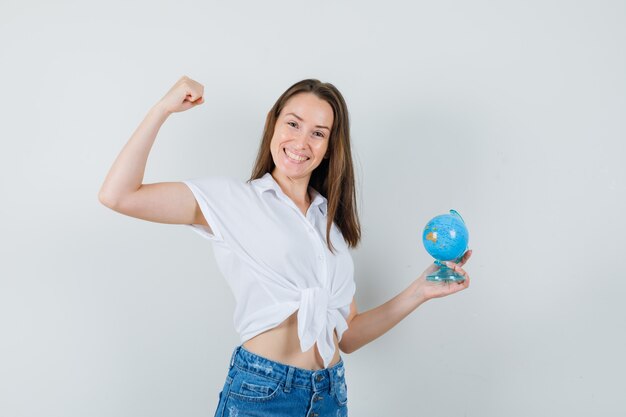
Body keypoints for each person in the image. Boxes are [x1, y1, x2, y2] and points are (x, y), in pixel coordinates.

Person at [98, 75, 472, 417]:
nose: (301, 142)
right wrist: (161, 109)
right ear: (272, 124)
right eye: (293, 124)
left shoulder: (331, 226)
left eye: (318, 133)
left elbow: (348, 335)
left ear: (329, 147)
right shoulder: (232, 200)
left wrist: (419, 292)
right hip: (263, 393)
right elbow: (119, 195)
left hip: (330, 395)